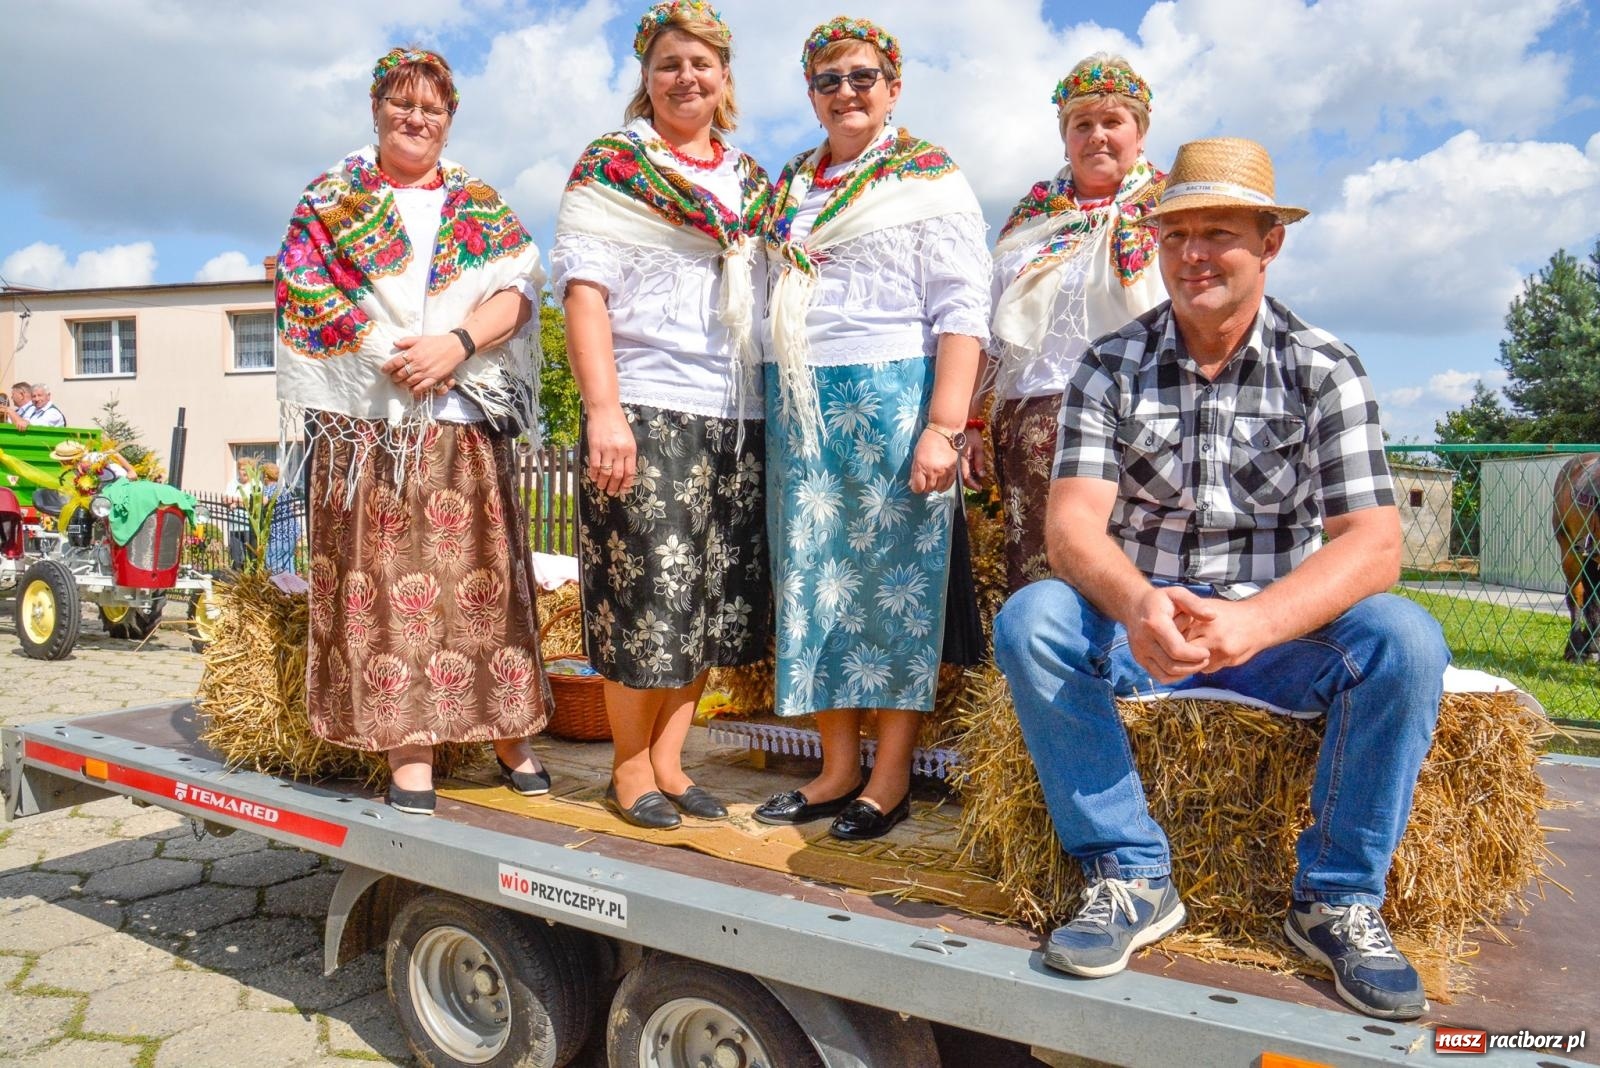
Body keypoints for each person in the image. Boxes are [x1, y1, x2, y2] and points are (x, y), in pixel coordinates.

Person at [992, 138, 1449, 1021]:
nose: (1193, 253)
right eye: (1177, 234)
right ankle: (1129, 876)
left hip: (1276, 639)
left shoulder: (1324, 366)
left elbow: (1375, 544)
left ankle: (1338, 899)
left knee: (1406, 637)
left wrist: (1256, 623)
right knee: (1034, 619)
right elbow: (1072, 526)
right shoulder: (1109, 364)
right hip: (1142, 633)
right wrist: (1137, 606)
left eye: (1219, 234)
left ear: (1270, 243)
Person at [275, 46, 551, 816]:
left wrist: (454, 346)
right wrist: (394, 355)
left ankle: (509, 736)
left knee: (485, 588)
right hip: (372, 426)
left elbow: (519, 293)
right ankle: (411, 755)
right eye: (403, 103)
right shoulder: (331, 200)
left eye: (432, 107)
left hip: (462, 420)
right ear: (376, 109)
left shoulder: (478, 203)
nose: (417, 118)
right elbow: (304, 293)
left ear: (450, 117)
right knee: (394, 591)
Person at [755, 16, 990, 841]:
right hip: (799, 402)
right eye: (828, 79)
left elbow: (964, 310)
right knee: (815, 584)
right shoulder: (790, 184)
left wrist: (944, 428)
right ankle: (835, 769)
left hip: (892, 398)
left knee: (895, 592)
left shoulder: (929, 176)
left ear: (893, 86)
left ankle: (888, 782)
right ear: (811, 94)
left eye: (861, 76)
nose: (845, 92)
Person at [555, 0, 772, 831]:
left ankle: (674, 764)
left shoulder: (748, 179)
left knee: (708, 602)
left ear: (725, 76)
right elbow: (584, 293)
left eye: (702, 63)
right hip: (646, 399)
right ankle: (629, 768)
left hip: (737, 409)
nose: (687, 77)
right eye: (668, 64)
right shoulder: (615, 164)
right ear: (645, 79)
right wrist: (605, 412)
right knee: (644, 597)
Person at [981, 55, 1165, 592]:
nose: (1097, 137)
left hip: (1142, 417)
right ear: (1064, 138)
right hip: (1036, 422)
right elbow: (993, 327)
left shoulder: (1172, 209)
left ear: (1140, 132)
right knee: (1041, 574)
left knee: (1134, 573)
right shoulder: (1034, 217)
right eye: (1082, 125)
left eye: (1112, 122)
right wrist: (970, 421)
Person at [259, 461, 301, 575]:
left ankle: (278, 590)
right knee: (288, 565)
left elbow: (262, 503)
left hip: (279, 534)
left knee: (272, 566)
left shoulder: (269, 489)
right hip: (292, 532)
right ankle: (292, 591)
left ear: (266, 476)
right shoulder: (284, 490)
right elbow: (292, 508)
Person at [222, 457, 260, 568]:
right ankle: (236, 579)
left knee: (251, 556)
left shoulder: (255, 484)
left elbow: (254, 502)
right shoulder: (232, 483)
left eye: (246, 469)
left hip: (249, 526)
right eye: (241, 469)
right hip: (234, 525)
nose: (243, 472)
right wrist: (240, 501)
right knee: (236, 557)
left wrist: (236, 502)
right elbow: (225, 499)